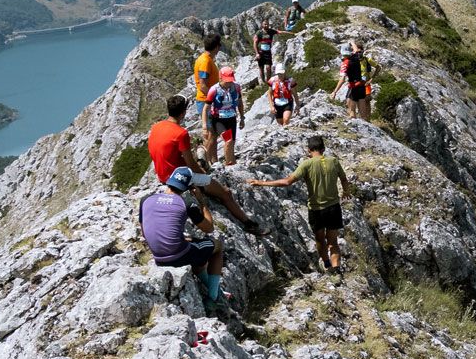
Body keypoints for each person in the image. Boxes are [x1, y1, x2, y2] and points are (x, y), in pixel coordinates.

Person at [251, 134, 353, 274]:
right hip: (333, 208)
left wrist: (261, 183)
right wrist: (346, 192)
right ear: (323, 148)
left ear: (308, 150)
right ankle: (337, 269)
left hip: (316, 210)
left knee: (320, 240)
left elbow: (287, 182)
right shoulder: (333, 161)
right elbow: (343, 178)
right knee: (333, 242)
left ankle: (328, 265)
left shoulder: (307, 164)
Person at [146, 95, 255, 227]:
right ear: (183, 112)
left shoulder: (156, 127)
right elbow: (191, 164)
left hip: (163, 176)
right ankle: (248, 223)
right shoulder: (180, 133)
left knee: (200, 156)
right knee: (225, 193)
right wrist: (203, 173)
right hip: (181, 177)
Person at [142, 166, 231, 312]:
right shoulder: (186, 203)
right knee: (217, 246)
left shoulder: (146, 200)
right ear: (189, 187)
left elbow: (145, 231)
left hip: (158, 256)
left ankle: (216, 291)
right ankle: (214, 298)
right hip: (178, 255)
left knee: (194, 247)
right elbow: (209, 228)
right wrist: (201, 202)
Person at [204, 66, 244, 165]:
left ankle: (231, 162)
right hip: (218, 120)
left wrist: (242, 117)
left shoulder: (237, 87)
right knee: (228, 140)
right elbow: (206, 108)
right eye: (227, 81)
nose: (229, 83)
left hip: (231, 118)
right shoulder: (214, 90)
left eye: (230, 81)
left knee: (231, 142)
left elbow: (240, 102)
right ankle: (229, 164)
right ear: (220, 78)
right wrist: (204, 125)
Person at [336, 40, 374, 121]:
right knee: (363, 115)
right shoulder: (356, 57)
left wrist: (335, 91)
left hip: (353, 87)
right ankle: (366, 127)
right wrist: (352, 42)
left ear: (342, 53)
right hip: (361, 86)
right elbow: (356, 50)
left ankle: (355, 127)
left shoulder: (345, 63)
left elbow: (342, 79)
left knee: (351, 111)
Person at [190, 32, 221, 125]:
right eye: (219, 45)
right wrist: (215, 98)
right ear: (216, 47)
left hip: (207, 100)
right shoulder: (205, 62)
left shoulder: (205, 59)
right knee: (210, 132)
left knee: (213, 131)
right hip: (206, 101)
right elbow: (203, 86)